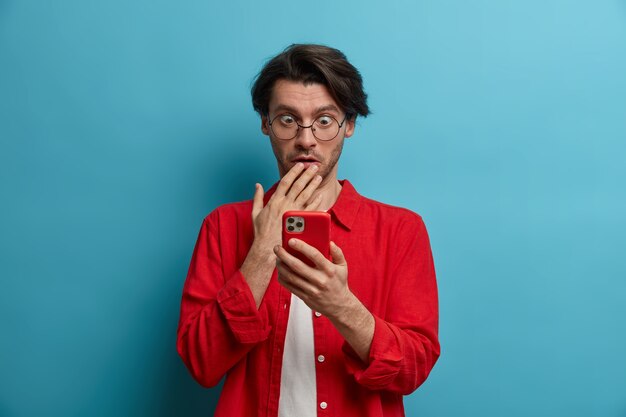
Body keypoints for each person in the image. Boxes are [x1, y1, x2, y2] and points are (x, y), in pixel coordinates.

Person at [176, 44, 440, 417]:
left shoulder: (401, 231)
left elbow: (414, 368)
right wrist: (261, 253)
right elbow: (201, 364)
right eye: (287, 119)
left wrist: (342, 306)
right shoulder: (222, 227)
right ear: (266, 123)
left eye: (324, 120)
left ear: (349, 124)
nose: (306, 139)